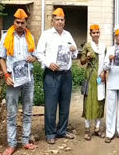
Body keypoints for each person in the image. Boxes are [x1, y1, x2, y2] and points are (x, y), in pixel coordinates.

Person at [0, 9, 37, 155]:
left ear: (26, 23)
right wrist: (6, 75)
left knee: (28, 110)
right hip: (13, 79)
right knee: (12, 111)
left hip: (28, 79)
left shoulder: (30, 37)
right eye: (17, 22)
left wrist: (33, 58)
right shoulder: (7, 37)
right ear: (14, 22)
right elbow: (1, 57)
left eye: (22, 22)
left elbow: (34, 55)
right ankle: (12, 143)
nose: (20, 25)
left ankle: (25, 141)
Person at [36, 8, 78, 144]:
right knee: (51, 105)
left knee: (65, 104)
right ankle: (50, 133)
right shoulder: (46, 35)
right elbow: (38, 53)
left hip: (66, 74)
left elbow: (75, 54)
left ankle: (62, 130)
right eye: (57, 19)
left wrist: (74, 50)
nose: (60, 22)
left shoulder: (68, 35)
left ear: (64, 21)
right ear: (52, 20)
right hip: (52, 74)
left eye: (62, 20)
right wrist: (49, 63)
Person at [80, 24, 106, 140]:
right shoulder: (87, 46)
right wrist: (87, 57)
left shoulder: (103, 46)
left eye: (97, 32)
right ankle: (87, 130)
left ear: (99, 33)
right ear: (90, 34)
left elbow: (105, 62)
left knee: (100, 102)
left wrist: (104, 73)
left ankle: (97, 128)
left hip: (100, 78)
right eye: (93, 33)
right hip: (90, 77)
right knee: (89, 103)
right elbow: (81, 62)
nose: (96, 34)